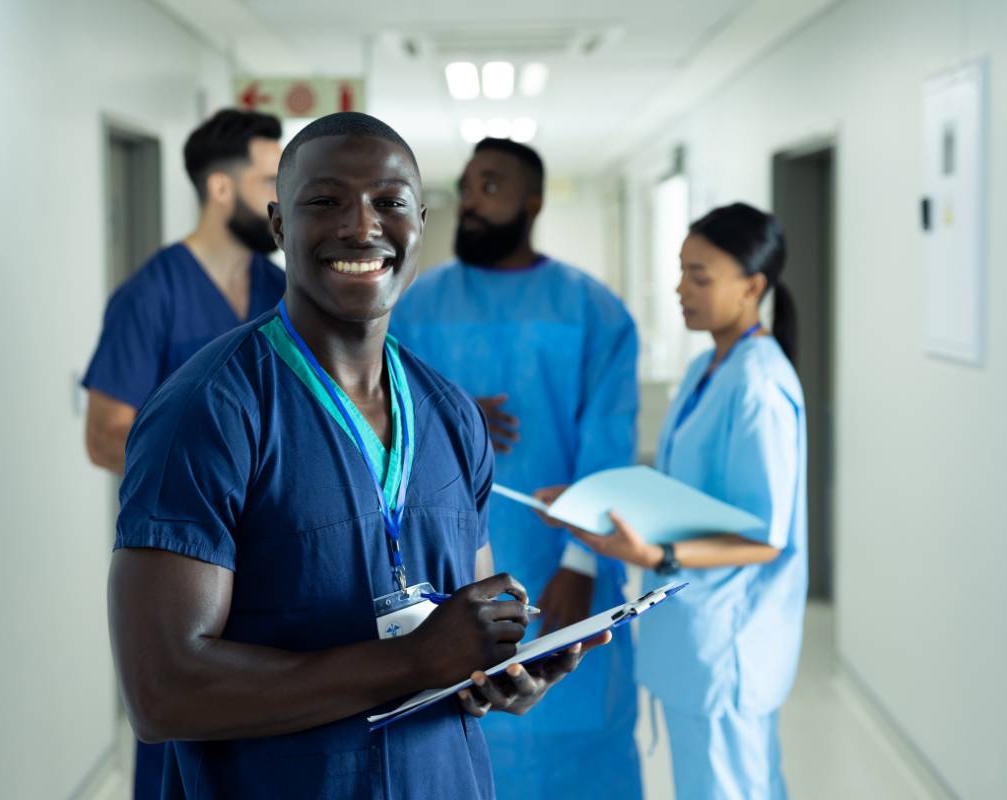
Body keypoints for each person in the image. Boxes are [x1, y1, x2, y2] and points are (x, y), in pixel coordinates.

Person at [107, 111, 608, 799]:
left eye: (389, 202)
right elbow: (162, 691)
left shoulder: (452, 418)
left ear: (420, 222)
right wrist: (410, 661)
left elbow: (458, 640)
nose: (361, 226)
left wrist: (498, 673)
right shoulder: (208, 411)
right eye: (327, 202)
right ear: (280, 225)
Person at [392, 138, 641, 800]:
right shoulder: (415, 307)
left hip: (564, 577)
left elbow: (607, 443)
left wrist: (580, 565)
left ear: (532, 201)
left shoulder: (595, 313)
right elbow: (373, 410)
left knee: (576, 750)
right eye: (467, 186)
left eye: (491, 186)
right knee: (454, 747)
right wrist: (446, 407)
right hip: (443, 581)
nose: (470, 200)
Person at [539, 203, 807, 800]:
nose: (680, 288)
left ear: (752, 287)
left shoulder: (759, 386)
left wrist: (657, 554)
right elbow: (693, 489)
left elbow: (766, 537)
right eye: (681, 270)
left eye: (700, 276)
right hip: (695, 635)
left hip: (728, 644)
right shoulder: (707, 368)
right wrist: (592, 501)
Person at [84, 108, 287, 477]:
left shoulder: (283, 292)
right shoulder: (150, 296)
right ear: (221, 188)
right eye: (269, 182)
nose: (282, 198)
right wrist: (213, 469)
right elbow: (103, 437)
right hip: (180, 526)